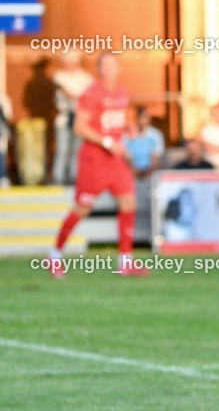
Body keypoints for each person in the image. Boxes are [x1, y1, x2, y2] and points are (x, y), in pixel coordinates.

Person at [48, 52, 148, 278]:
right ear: (99, 69)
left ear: (119, 67)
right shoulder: (92, 93)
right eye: (105, 65)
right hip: (94, 159)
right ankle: (54, 255)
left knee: (128, 202)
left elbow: (114, 119)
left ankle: (125, 261)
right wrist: (106, 141)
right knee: (83, 208)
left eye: (113, 64)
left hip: (115, 159)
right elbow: (80, 127)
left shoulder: (122, 90)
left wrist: (127, 128)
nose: (109, 69)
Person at [52, 51, 94, 184]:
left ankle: (74, 177)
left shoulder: (86, 78)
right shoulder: (59, 76)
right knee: (63, 149)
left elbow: (86, 96)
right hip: (64, 118)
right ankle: (58, 177)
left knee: (77, 150)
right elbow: (65, 93)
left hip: (79, 118)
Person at [125, 106, 165, 178]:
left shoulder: (156, 134)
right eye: (141, 117)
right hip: (132, 174)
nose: (143, 120)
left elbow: (156, 155)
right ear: (137, 118)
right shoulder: (128, 134)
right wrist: (134, 170)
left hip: (150, 174)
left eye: (146, 117)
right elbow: (126, 155)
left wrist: (149, 171)